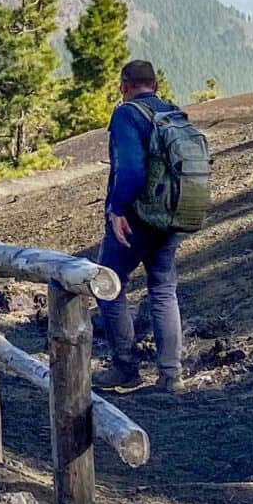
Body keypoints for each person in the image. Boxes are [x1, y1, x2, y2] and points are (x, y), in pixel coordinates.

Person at [96, 59, 187, 393]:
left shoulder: (126, 114)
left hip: (136, 217)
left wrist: (117, 208)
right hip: (172, 214)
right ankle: (170, 374)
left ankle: (125, 368)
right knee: (163, 289)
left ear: (124, 85)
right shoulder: (174, 113)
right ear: (156, 85)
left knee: (108, 283)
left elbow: (132, 169)